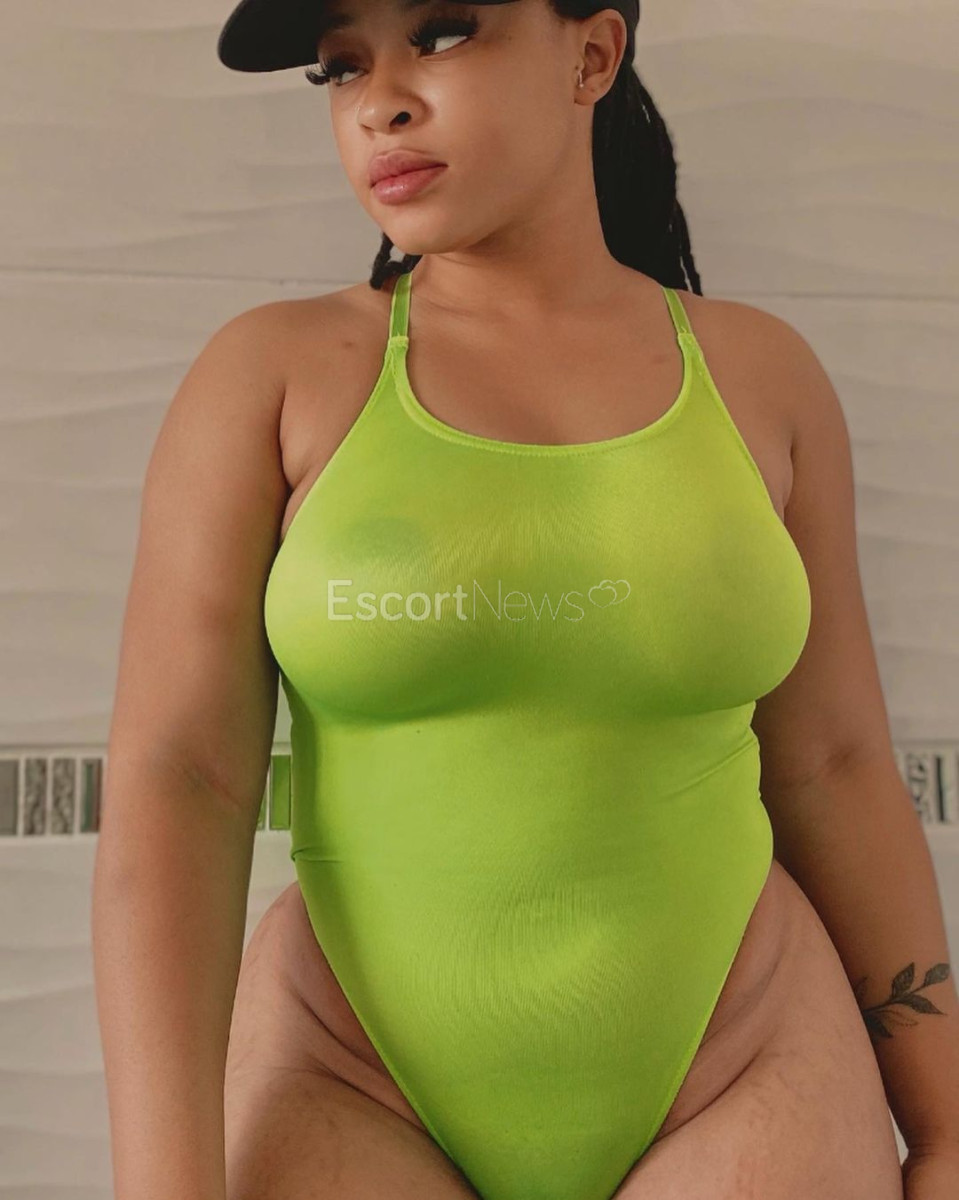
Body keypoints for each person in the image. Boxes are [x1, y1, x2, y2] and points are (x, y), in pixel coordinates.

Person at [91, 0, 958, 1197]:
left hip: (746, 1055)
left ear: (590, 54)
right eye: (340, 67)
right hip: (349, 1069)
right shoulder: (274, 374)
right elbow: (180, 781)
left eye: (442, 32)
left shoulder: (764, 377)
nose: (379, 101)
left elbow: (834, 764)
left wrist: (945, 1127)